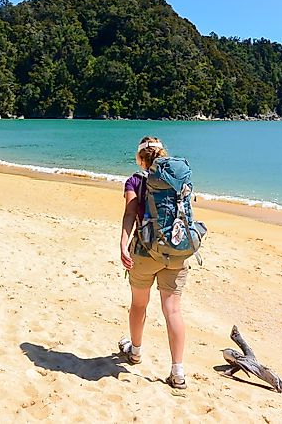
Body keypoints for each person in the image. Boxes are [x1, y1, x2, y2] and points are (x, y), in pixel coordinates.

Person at [118, 136, 189, 390]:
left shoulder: (135, 181)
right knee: (173, 311)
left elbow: (129, 213)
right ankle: (177, 372)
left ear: (140, 158)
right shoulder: (177, 179)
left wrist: (123, 243)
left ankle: (135, 352)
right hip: (176, 251)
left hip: (146, 252)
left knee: (139, 304)